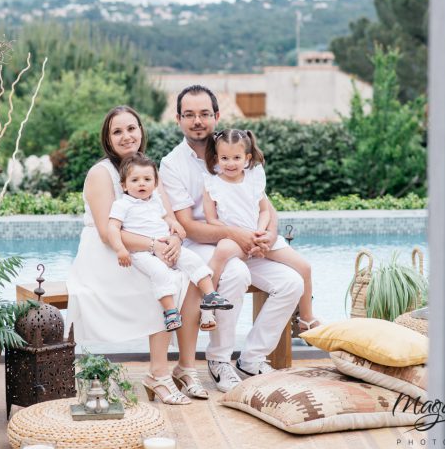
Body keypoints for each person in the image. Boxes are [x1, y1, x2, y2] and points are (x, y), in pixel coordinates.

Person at [159, 85, 304, 392]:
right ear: (178, 119)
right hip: (203, 246)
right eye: (189, 115)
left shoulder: (234, 149)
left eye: (204, 114)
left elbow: (263, 203)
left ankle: (252, 358)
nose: (197, 120)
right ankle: (219, 360)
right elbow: (188, 225)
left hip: (247, 240)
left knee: (292, 282)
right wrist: (234, 234)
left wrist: (269, 233)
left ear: (216, 115)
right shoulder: (172, 164)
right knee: (236, 274)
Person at [66, 105, 209, 406]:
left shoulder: (147, 169)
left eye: (131, 128)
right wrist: (155, 246)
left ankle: (182, 368)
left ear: (141, 131)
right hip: (109, 254)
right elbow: (108, 233)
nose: (126, 136)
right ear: (108, 138)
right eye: (117, 131)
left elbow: (171, 219)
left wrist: (173, 240)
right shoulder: (101, 173)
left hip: (147, 249)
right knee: (160, 283)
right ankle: (159, 374)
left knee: (190, 276)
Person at [202, 128, 321, 333]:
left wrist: (259, 233)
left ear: (247, 158)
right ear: (216, 158)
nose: (230, 163)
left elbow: (265, 211)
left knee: (305, 268)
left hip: (260, 236)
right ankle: (207, 307)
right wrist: (237, 234)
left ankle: (306, 317)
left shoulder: (255, 176)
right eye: (224, 158)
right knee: (221, 252)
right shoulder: (212, 183)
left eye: (236, 157)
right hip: (234, 238)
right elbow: (211, 219)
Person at [107, 153, 233, 333]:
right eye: (135, 180)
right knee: (160, 273)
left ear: (155, 183)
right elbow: (113, 228)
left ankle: (210, 295)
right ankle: (171, 312)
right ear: (124, 185)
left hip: (167, 246)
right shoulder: (123, 204)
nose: (142, 183)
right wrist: (120, 249)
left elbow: (165, 217)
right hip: (142, 252)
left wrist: (175, 225)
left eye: (147, 179)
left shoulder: (156, 200)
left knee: (194, 261)